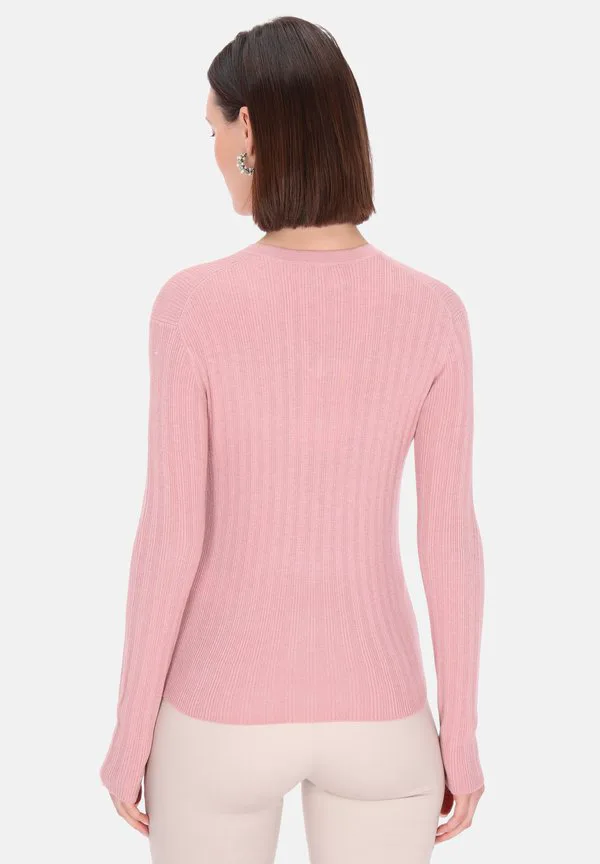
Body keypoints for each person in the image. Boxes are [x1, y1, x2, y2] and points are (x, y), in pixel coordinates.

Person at [99, 15, 486, 863]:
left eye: (211, 129)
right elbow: (449, 539)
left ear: (249, 129)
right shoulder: (435, 313)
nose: (212, 152)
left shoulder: (192, 306)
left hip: (217, 718)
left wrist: (129, 736)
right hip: (383, 718)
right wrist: (459, 738)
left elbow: (170, 536)